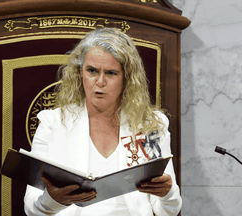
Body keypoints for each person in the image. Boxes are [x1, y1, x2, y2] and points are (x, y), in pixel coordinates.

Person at [24, 27, 182, 216]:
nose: (100, 81)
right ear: (80, 73)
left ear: (127, 78)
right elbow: (31, 209)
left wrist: (167, 194)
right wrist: (54, 201)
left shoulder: (152, 124)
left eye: (111, 73)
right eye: (92, 71)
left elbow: (169, 210)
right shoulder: (52, 123)